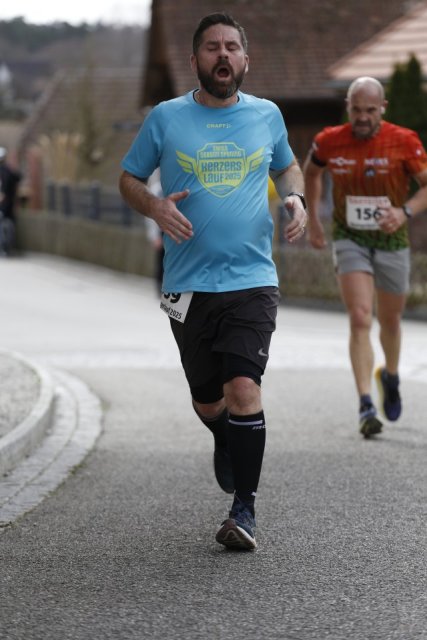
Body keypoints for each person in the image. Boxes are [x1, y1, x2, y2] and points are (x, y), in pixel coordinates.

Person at [119, 12, 307, 550]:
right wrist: (155, 206)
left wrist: (294, 197)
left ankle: (243, 510)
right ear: (195, 60)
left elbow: (287, 167)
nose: (223, 55)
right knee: (207, 400)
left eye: (231, 47)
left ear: (246, 59)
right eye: (212, 47)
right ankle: (227, 436)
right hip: (186, 283)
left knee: (243, 388)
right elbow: (129, 178)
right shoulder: (166, 117)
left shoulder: (267, 115)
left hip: (252, 279)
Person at [303, 76, 427, 438]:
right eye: (356, 109)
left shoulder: (404, 141)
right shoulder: (329, 140)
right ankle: (365, 404)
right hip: (350, 238)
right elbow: (312, 172)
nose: (362, 117)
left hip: (392, 239)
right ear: (348, 106)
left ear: (382, 109)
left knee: (390, 321)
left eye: (370, 111)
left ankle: (390, 375)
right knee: (360, 317)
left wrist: (404, 212)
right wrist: (314, 219)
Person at [0, 147, 21, 256]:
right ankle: (6, 248)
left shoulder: (4, 172)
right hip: (10, 205)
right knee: (8, 225)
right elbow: (18, 178)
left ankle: (4, 247)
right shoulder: (9, 171)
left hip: (4, 205)